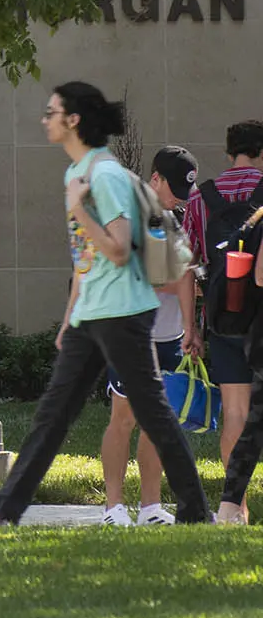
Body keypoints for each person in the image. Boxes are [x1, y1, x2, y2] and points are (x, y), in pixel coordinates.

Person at [0, 81, 212, 527]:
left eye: (52, 112)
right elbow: (85, 257)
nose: (44, 119)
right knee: (53, 417)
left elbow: (120, 249)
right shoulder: (79, 172)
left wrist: (80, 209)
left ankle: (195, 510)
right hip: (95, 314)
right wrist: (72, 316)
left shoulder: (103, 176)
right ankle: (1, 512)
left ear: (74, 121)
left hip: (123, 313)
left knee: (153, 415)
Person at [96, 145, 197, 526]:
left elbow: (184, 275)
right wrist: (184, 278)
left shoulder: (178, 219)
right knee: (123, 418)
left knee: (160, 420)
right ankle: (113, 506)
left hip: (169, 335)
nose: (176, 201)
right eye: (172, 191)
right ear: (154, 178)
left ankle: (151, 506)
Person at [182, 119, 263, 513]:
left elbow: (187, 265)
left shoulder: (201, 199)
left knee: (234, 411)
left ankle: (237, 507)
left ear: (229, 151)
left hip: (224, 314)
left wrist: (190, 327)